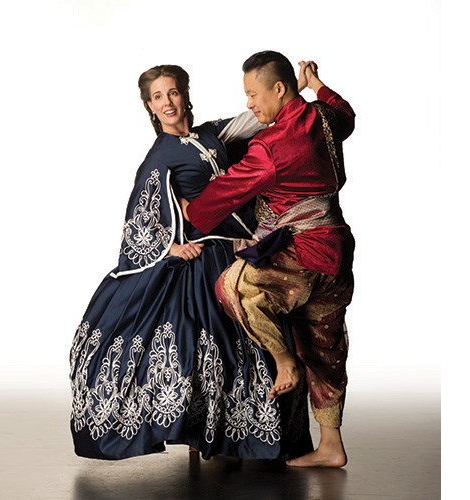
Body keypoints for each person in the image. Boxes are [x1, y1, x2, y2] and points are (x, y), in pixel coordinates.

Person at [69, 64, 313, 461]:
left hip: (237, 245)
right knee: (198, 335)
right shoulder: (159, 157)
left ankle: (242, 436)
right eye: (159, 97)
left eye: (173, 92)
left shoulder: (211, 135)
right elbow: (140, 215)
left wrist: (296, 84)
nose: (168, 102)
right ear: (149, 106)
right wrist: (169, 247)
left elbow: (251, 120)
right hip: (203, 254)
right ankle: (207, 434)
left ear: (185, 94)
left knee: (259, 325)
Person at [181, 51, 356, 468]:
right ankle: (331, 446)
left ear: (279, 88)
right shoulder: (323, 119)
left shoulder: (272, 146)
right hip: (337, 251)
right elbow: (345, 113)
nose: (249, 105)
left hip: (303, 253)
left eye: (253, 94)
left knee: (234, 287)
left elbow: (219, 199)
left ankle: (282, 362)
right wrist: (316, 84)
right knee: (324, 344)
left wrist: (191, 209)